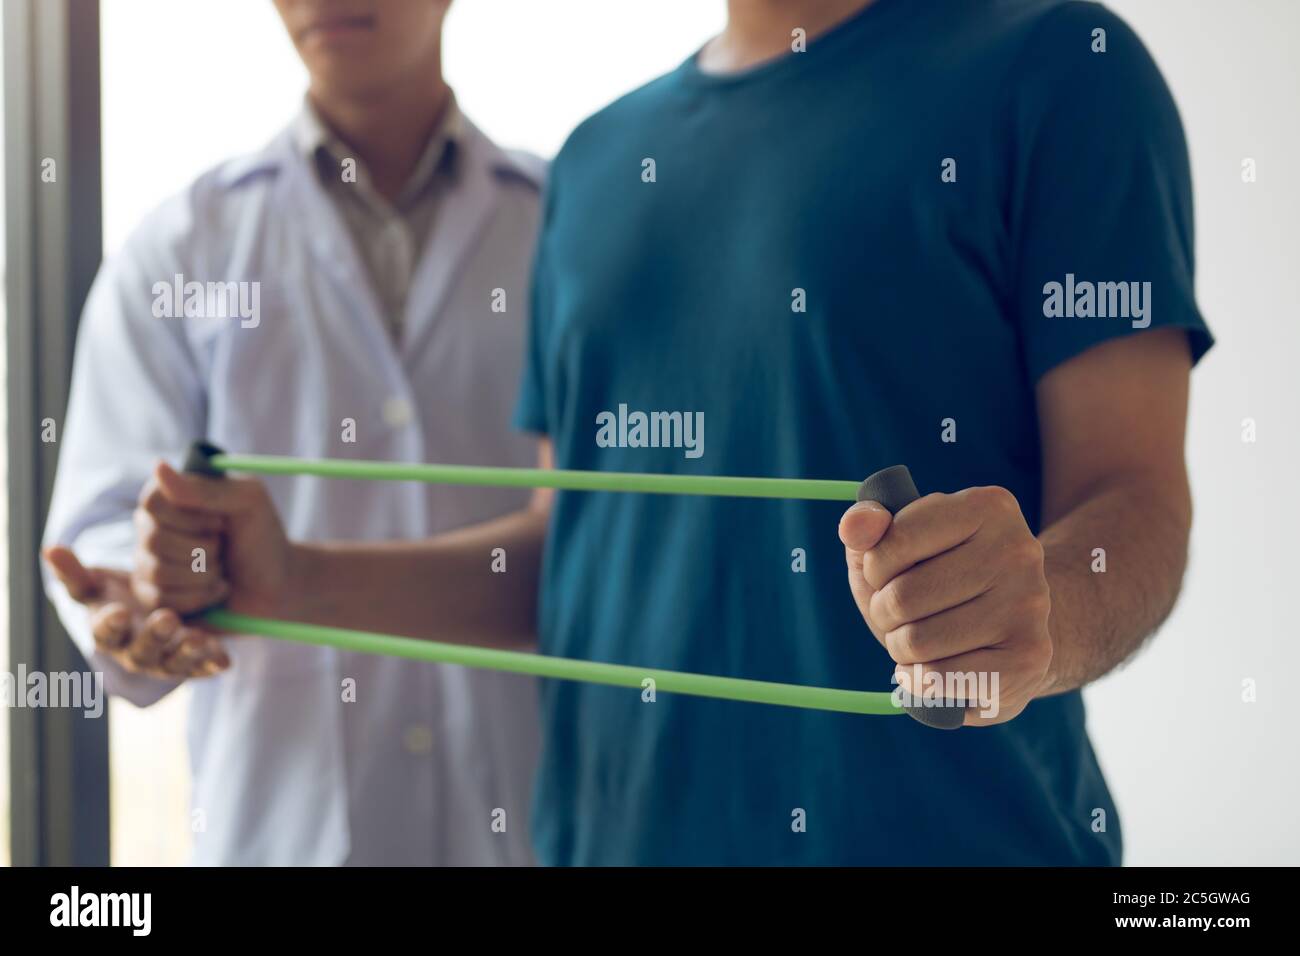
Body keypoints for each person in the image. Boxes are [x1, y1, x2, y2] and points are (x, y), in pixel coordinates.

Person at [121, 0, 1214, 864]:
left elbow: (1134, 498)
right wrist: (291, 580)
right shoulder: (598, 159)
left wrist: (1042, 609)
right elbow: (574, 558)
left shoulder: (1060, 66)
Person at [42, 0, 543, 865]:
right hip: (282, 827)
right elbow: (110, 523)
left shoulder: (563, 222)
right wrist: (145, 593)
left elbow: (614, 539)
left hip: (530, 820)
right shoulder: (180, 247)